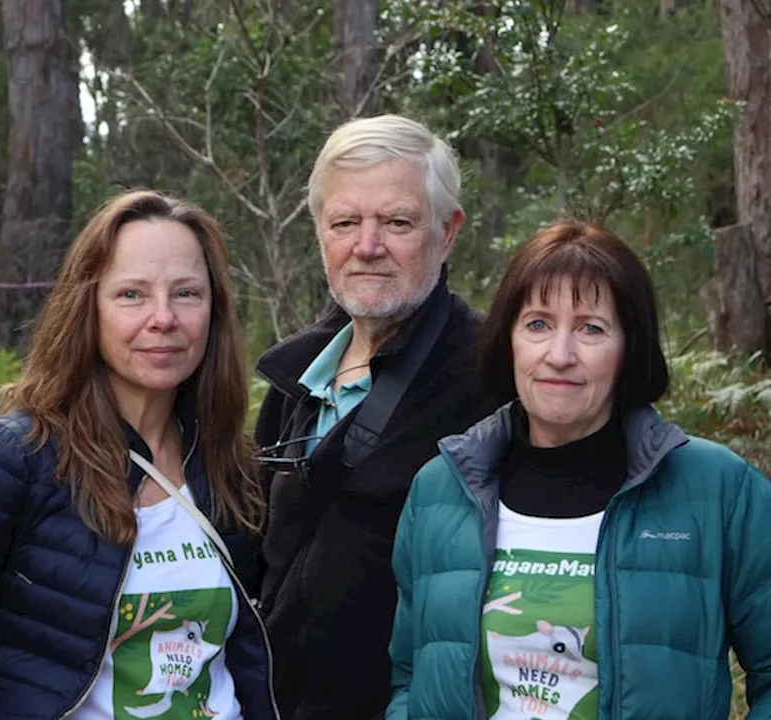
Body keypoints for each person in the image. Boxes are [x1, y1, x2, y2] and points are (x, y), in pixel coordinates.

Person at [387, 221, 771, 719]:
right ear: (509, 341)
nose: (560, 355)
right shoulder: (440, 490)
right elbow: (409, 677)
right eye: (538, 325)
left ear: (629, 347)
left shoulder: (718, 489)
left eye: (591, 327)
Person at [0, 189, 276, 719]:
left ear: (215, 310)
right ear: (88, 307)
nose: (163, 318)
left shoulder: (231, 468)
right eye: (132, 295)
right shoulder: (13, 463)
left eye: (186, 293)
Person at [253, 114, 503, 719]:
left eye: (397, 222)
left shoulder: (494, 381)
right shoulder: (294, 382)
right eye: (345, 223)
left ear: (447, 233)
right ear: (321, 234)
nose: (367, 246)